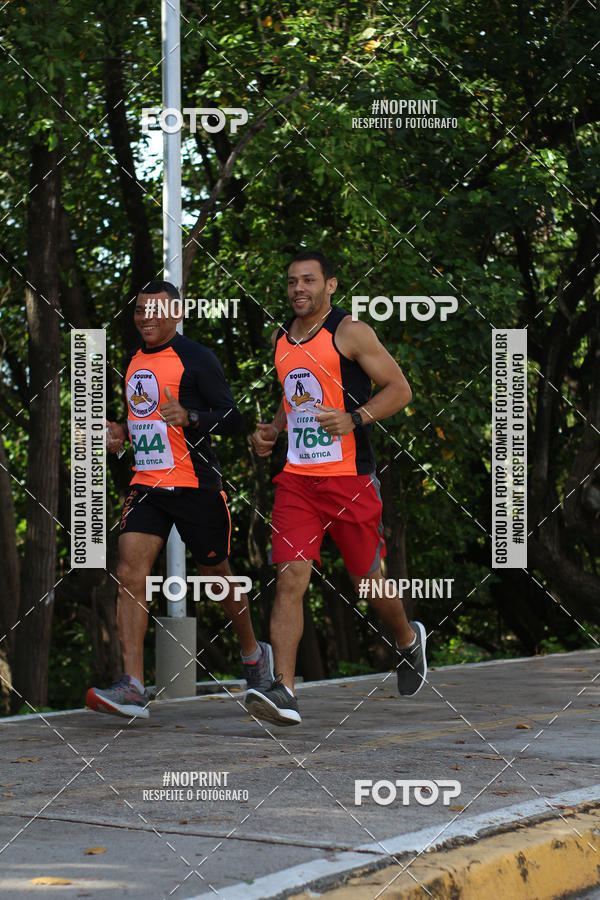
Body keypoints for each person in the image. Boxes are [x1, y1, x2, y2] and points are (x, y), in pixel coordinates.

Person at [245, 252, 426, 726]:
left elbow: (399, 389)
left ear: (330, 286)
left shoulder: (350, 332)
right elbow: (294, 396)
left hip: (349, 479)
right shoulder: (281, 338)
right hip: (298, 482)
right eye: (291, 281)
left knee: (367, 582)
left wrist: (355, 417)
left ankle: (407, 640)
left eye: (309, 280)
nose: (298, 288)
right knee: (289, 580)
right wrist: (273, 430)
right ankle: (283, 689)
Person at [86, 281, 273, 719]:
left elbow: (233, 416)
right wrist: (121, 435)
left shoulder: (196, 357)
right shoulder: (133, 361)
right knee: (129, 570)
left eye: (155, 310)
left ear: (176, 313)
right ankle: (132, 684)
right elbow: (145, 422)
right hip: (147, 484)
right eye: (139, 311)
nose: (145, 317)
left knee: (216, 574)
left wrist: (191, 417)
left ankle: (252, 653)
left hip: (195, 485)